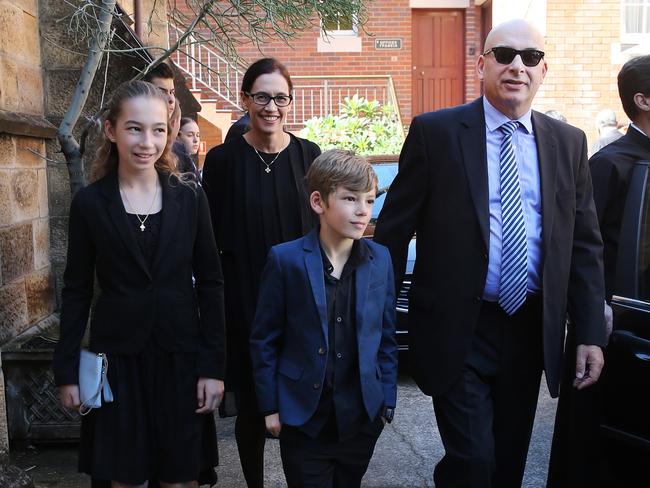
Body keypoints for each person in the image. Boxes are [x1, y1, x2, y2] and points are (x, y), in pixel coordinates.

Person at [374, 19, 606, 487]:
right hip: (458, 327)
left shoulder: (568, 143)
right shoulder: (436, 134)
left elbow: (583, 243)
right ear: (482, 64)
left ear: (543, 72)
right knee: (473, 460)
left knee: (508, 463)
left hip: (529, 328)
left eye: (530, 58)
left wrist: (587, 332)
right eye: (503, 55)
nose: (517, 66)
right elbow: (393, 234)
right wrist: (375, 321)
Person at [52, 80, 226, 488]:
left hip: (180, 359)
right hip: (118, 362)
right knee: (123, 478)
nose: (147, 141)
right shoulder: (91, 204)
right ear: (111, 130)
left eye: (158, 129)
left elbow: (212, 284)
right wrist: (67, 372)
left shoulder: (189, 197)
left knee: (179, 478)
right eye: (134, 128)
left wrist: (213, 367)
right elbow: (76, 288)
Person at [201, 57, 321, 487]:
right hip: (244, 300)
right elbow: (208, 238)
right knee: (252, 410)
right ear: (245, 99)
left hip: (300, 301)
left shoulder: (309, 156)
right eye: (262, 96)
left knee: (297, 407)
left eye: (281, 98)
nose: (272, 106)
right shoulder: (221, 161)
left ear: (290, 101)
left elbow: (322, 231)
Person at [250, 149, 398, 487]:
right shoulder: (285, 260)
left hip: (361, 420)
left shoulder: (381, 259)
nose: (362, 210)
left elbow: (385, 335)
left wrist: (386, 397)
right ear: (319, 202)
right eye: (350, 198)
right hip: (304, 419)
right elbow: (265, 340)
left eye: (369, 201)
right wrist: (270, 407)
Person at [548, 54, 650, 488]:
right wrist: (594, 311)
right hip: (615, 323)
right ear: (643, 100)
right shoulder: (611, 164)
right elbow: (579, 247)